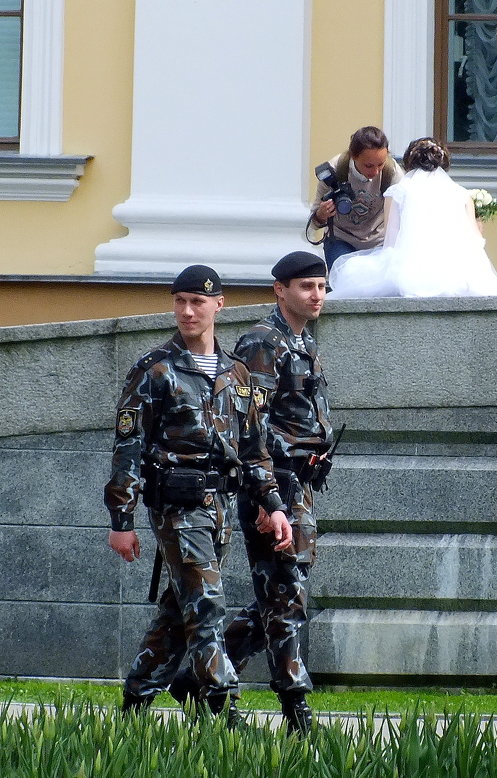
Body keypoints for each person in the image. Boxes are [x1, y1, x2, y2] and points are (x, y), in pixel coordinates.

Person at [105, 264, 292, 721]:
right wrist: (121, 521)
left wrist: (273, 504)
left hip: (221, 508)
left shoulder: (238, 374)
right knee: (207, 605)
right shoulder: (155, 370)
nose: (187, 311)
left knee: (177, 613)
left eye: (198, 302)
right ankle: (225, 713)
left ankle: (134, 704)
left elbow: (254, 449)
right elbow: (129, 446)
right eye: (180, 301)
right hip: (177, 507)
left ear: (218, 305)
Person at [171, 252, 333, 735]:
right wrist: (269, 499)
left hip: (296, 486)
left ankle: (197, 684)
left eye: (321, 287)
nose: (316, 295)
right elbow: (251, 429)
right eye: (306, 287)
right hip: (274, 486)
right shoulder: (263, 343)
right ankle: (294, 707)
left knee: (284, 596)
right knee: (288, 593)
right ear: (279, 290)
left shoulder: (301, 341)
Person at [328, 137, 497, 298]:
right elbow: (477, 242)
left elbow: (391, 243)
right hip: (458, 273)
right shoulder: (462, 194)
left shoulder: (398, 192)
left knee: (351, 272)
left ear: (409, 163)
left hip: (410, 273)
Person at [310, 125, 403, 269]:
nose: (376, 171)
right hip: (341, 239)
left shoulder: (392, 172)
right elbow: (314, 223)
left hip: (378, 242)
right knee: (345, 284)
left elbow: (404, 214)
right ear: (353, 156)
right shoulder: (333, 171)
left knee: (376, 289)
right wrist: (322, 214)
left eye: (380, 164)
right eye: (369, 165)